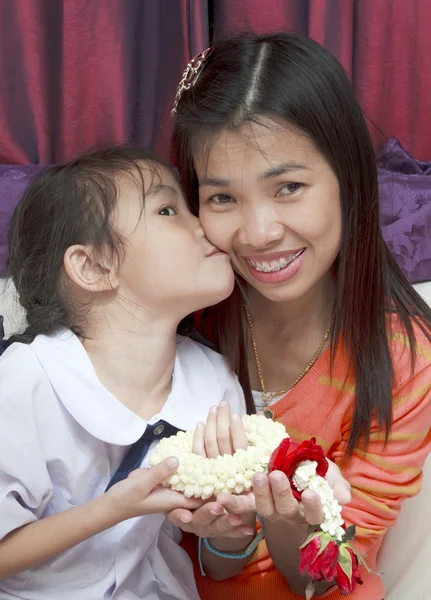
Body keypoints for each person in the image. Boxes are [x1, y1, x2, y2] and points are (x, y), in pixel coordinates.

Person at [168, 32, 431, 599]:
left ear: (348, 181)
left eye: (288, 187)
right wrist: (224, 540)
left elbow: (333, 578)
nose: (258, 234)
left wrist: (293, 523)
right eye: (222, 199)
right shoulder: (185, 315)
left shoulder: (401, 360)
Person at [0, 145, 250, 600]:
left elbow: (217, 562)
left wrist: (231, 530)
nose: (205, 224)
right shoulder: (27, 380)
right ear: (94, 266)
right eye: (168, 209)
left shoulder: (213, 381)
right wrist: (113, 509)